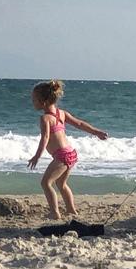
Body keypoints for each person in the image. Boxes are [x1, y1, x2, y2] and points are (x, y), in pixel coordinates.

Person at [26, 80, 108, 219]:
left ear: (43, 102)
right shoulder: (61, 113)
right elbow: (80, 124)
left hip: (62, 156)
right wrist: (97, 132)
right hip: (71, 154)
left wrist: (37, 156)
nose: (32, 102)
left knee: (46, 183)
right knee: (61, 183)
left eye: (34, 100)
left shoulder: (45, 118)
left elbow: (45, 138)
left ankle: (54, 213)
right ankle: (71, 210)